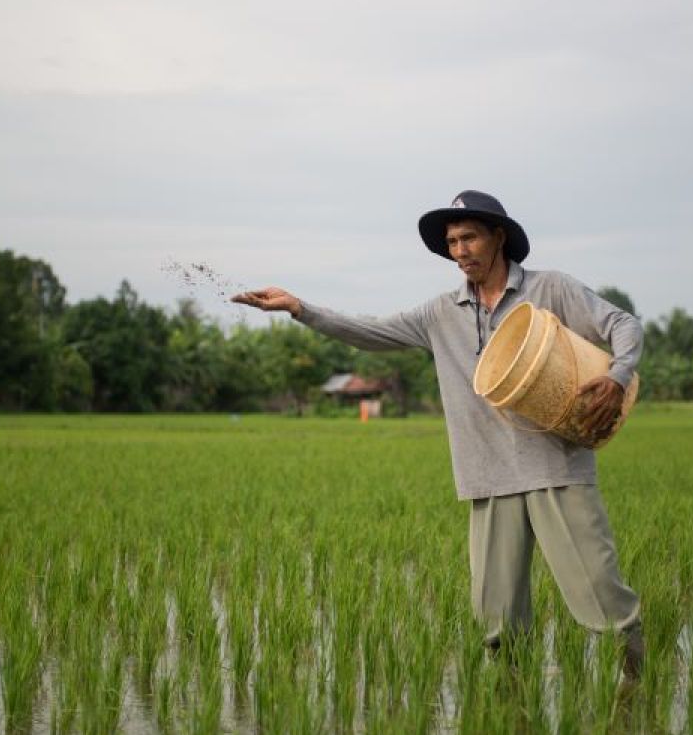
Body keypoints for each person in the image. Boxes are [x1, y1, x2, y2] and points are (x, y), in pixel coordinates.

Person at [232, 190, 644, 680]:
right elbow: (370, 332)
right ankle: (510, 707)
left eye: (469, 237)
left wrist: (617, 378)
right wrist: (300, 308)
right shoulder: (439, 313)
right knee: (497, 618)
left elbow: (622, 324)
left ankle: (636, 681)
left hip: (557, 465)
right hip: (487, 476)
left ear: (499, 237)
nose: (460, 250)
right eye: (452, 242)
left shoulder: (550, 290)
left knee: (600, 593)